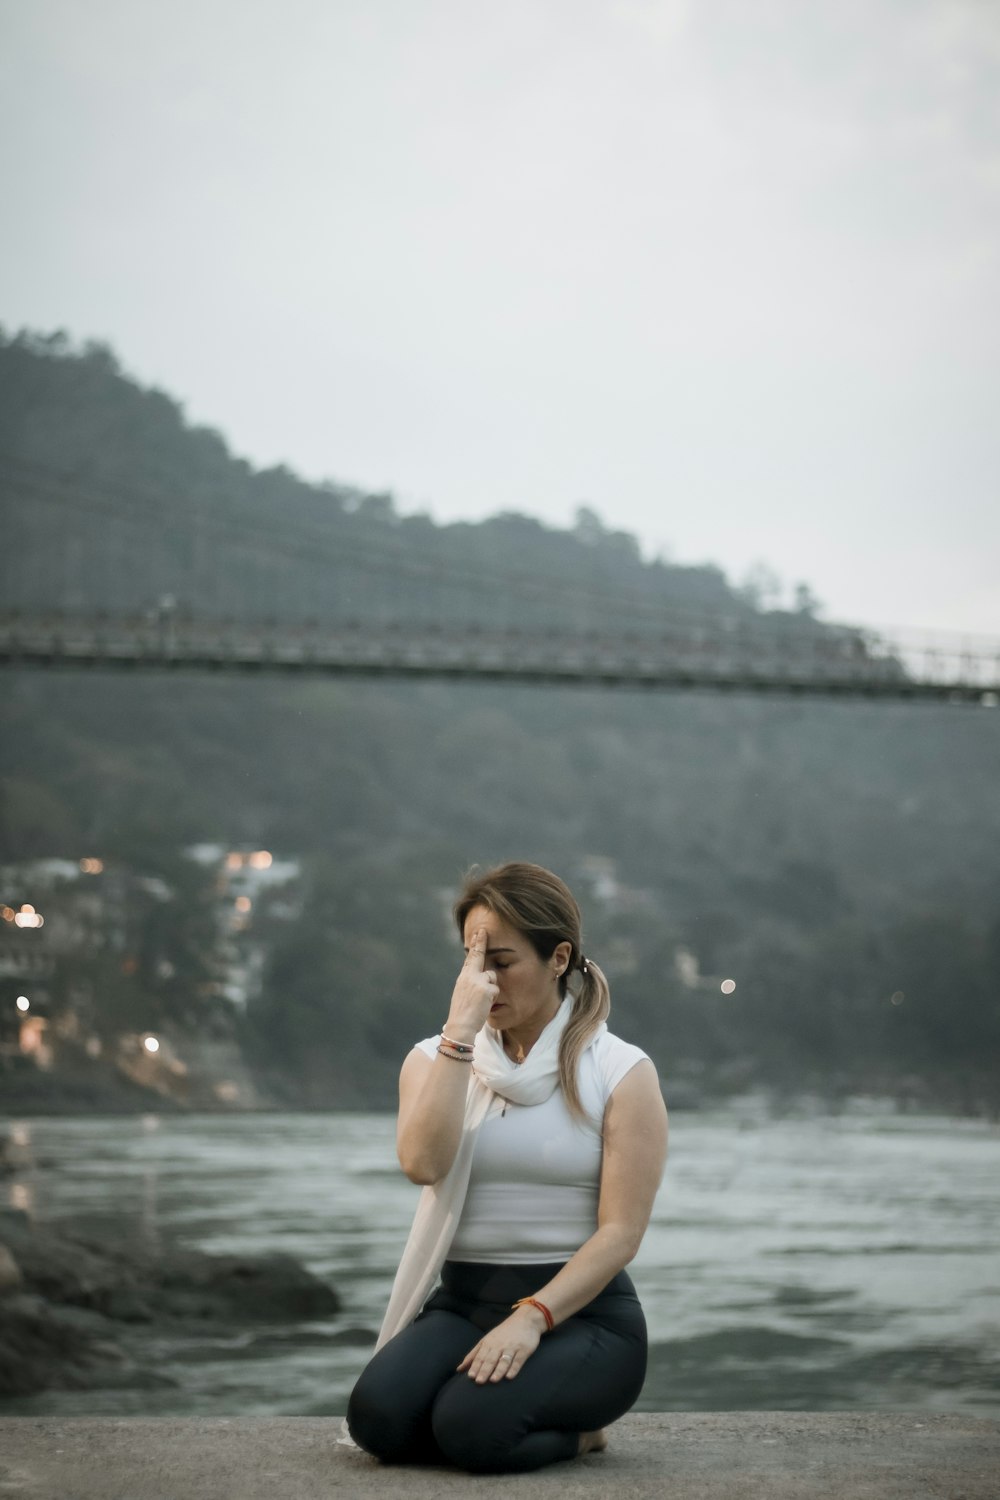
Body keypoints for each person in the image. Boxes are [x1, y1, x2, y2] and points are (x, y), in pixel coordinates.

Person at [346, 861, 668, 1474]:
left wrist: (534, 1316)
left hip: (583, 1317)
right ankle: (474, 1403)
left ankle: (585, 1436)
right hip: (463, 1304)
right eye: (472, 963)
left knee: (471, 1432)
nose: (485, 980)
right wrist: (459, 1034)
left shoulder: (621, 1071)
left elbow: (621, 1233)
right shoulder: (435, 1058)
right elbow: (422, 1164)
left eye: (501, 960)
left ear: (558, 958)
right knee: (378, 1422)